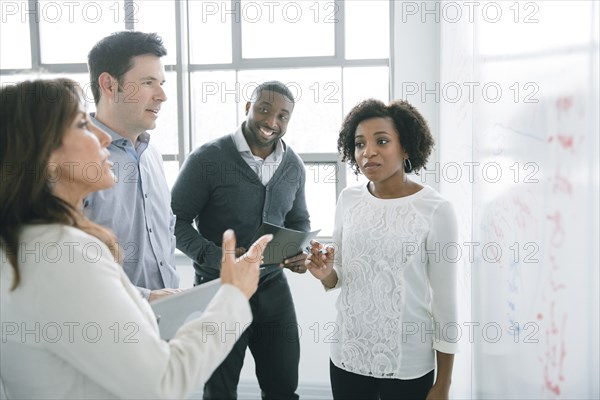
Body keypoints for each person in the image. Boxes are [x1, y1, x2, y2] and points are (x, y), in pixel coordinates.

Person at [0, 78, 272, 399]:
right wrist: (233, 295)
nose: (102, 137)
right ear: (41, 152)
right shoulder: (66, 254)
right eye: (81, 125)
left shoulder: (30, 244)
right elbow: (162, 383)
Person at [305, 99, 459, 400]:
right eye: (360, 144)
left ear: (406, 148)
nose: (368, 152)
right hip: (347, 355)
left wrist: (444, 384)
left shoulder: (436, 210)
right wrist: (325, 274)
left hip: (408, 365)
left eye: (382, 141)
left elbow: (446, 305)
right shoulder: (348, 200)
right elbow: (342, 277)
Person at [171, 81, 309, 400]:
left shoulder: (293, 166)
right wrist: (215, 256)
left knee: (283, 387)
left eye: (282, 116)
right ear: (248, 107)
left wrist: (297, 250)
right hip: (219, 288)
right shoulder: (207, 159)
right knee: (219, 390)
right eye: (264, 109)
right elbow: (173, 220)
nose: (272, 122)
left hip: (273, 288)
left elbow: (299, 220)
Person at [84, 31, 178, 301]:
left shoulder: (153, 156)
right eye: (148, 82)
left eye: (160, 82)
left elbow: (167, 233)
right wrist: (145, 297)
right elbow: (66, 264)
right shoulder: (75, 161)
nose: (162, 95)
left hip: (167, 321)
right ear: (110, 85)